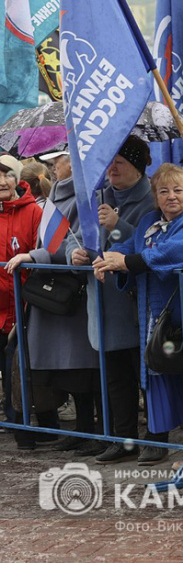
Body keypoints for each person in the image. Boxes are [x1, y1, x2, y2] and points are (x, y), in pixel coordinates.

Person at [93, 164, 183, 472]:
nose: (171, 197)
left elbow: (173, 253)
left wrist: (127, 262)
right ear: (155, 196)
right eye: (164, 191)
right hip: (167, 322)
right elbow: (127, 247)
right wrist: (108, 260)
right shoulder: (149, 221)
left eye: (178, 190)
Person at [66, 137, 163, 463]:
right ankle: (123, 439)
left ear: (137, 166)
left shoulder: (153, 200)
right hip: (103, 306)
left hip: (138, 304)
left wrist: (117, 226)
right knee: (117, 378)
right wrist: (74, 254)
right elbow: (73, 237)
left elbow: (151, 247)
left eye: (119, 162)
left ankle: (157, 439)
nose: (112, 168)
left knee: (149, 377)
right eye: (109, 161)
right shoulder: (94, 198)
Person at [6, 157, 101, 454]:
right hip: (51, 299)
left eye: (57, 161)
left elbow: (75, 246)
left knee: (82, 371)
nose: (53, 167)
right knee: (67, 372)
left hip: (72, 297)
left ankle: (93, 430)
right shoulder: (56, 194)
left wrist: (34, 257)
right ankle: (83, 430)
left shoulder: (87, 196)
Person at [0, 155, 52, 449]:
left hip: (27, 304)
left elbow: (40, 252)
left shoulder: (34, 211)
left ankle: (43, 425)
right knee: (7, 369)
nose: (0, 182)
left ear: (17, 179)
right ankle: (16, 425)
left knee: (26, 366)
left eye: (6, 175)